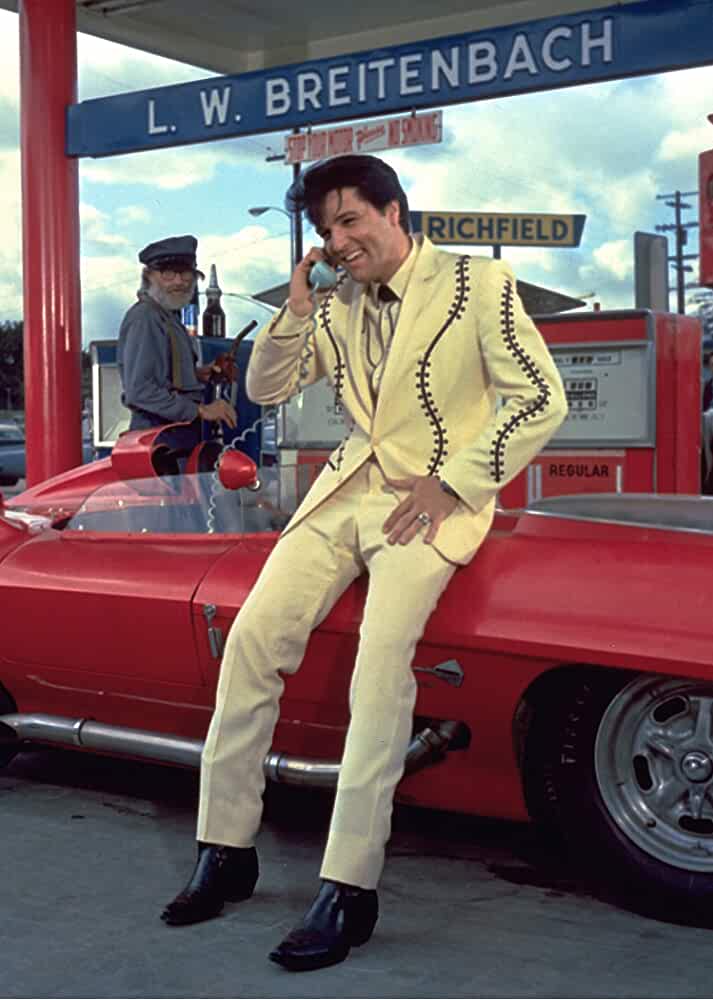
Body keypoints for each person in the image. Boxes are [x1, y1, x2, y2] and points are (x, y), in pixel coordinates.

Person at [161, 156, 568, 970]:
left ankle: (348, 886)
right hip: (343, 494)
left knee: (379, 669)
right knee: (251, 641)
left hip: (429, 499)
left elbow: (539, 396)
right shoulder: (337, 301)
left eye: (349, 221)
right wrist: (297, 307)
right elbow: (267, 388)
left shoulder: (475, 284)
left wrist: (455, 483)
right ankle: (225, 848)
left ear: (392, 213)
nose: (339, 241)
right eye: (326, 230)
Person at [117, 234, 237, 448]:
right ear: (149, 276)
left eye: (185, 274)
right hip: (158, 441)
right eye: (168, 274)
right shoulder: (146, 318)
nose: (179, 282)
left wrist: (196, 374)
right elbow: (141, 391)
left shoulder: (168, 318)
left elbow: (162, 376)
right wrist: (201, 410)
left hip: (175, 437)